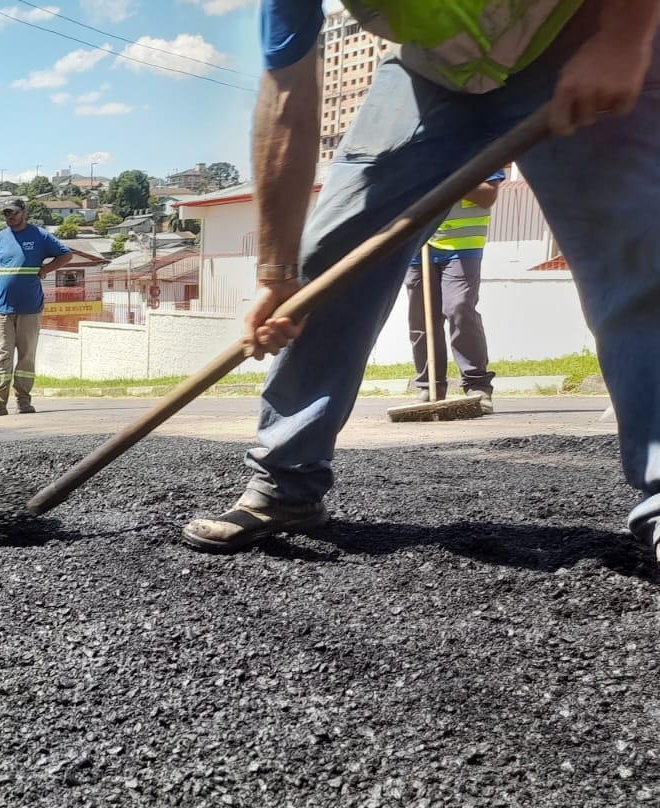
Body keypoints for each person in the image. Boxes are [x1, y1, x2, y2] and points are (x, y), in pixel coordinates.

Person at [181, 0, 660, 557]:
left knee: (638, 256)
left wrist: (623, 36)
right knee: (329, 264)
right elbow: (287, 95)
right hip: (434, 71)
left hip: (583, 30)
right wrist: (275, 274)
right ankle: (285, 483)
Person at [406, 170, 506, 413]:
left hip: (462, 245)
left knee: (458, 307)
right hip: (417, 244)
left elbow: (487, 196)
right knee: (421, 318)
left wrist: (443, 180)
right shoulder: (415, 152)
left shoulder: (479, 145)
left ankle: (477, 384)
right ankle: (430, 386)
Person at [0, 197, 72, 418]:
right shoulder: (1, 237)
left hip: (30, 307)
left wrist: (45, 269)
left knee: (26, 356)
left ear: (23, 212)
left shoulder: (39, 236)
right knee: (2, 355)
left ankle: (23, 400)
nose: (10, 217)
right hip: (2, 309)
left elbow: (66, 255)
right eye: (6, 214)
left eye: (14, 213)